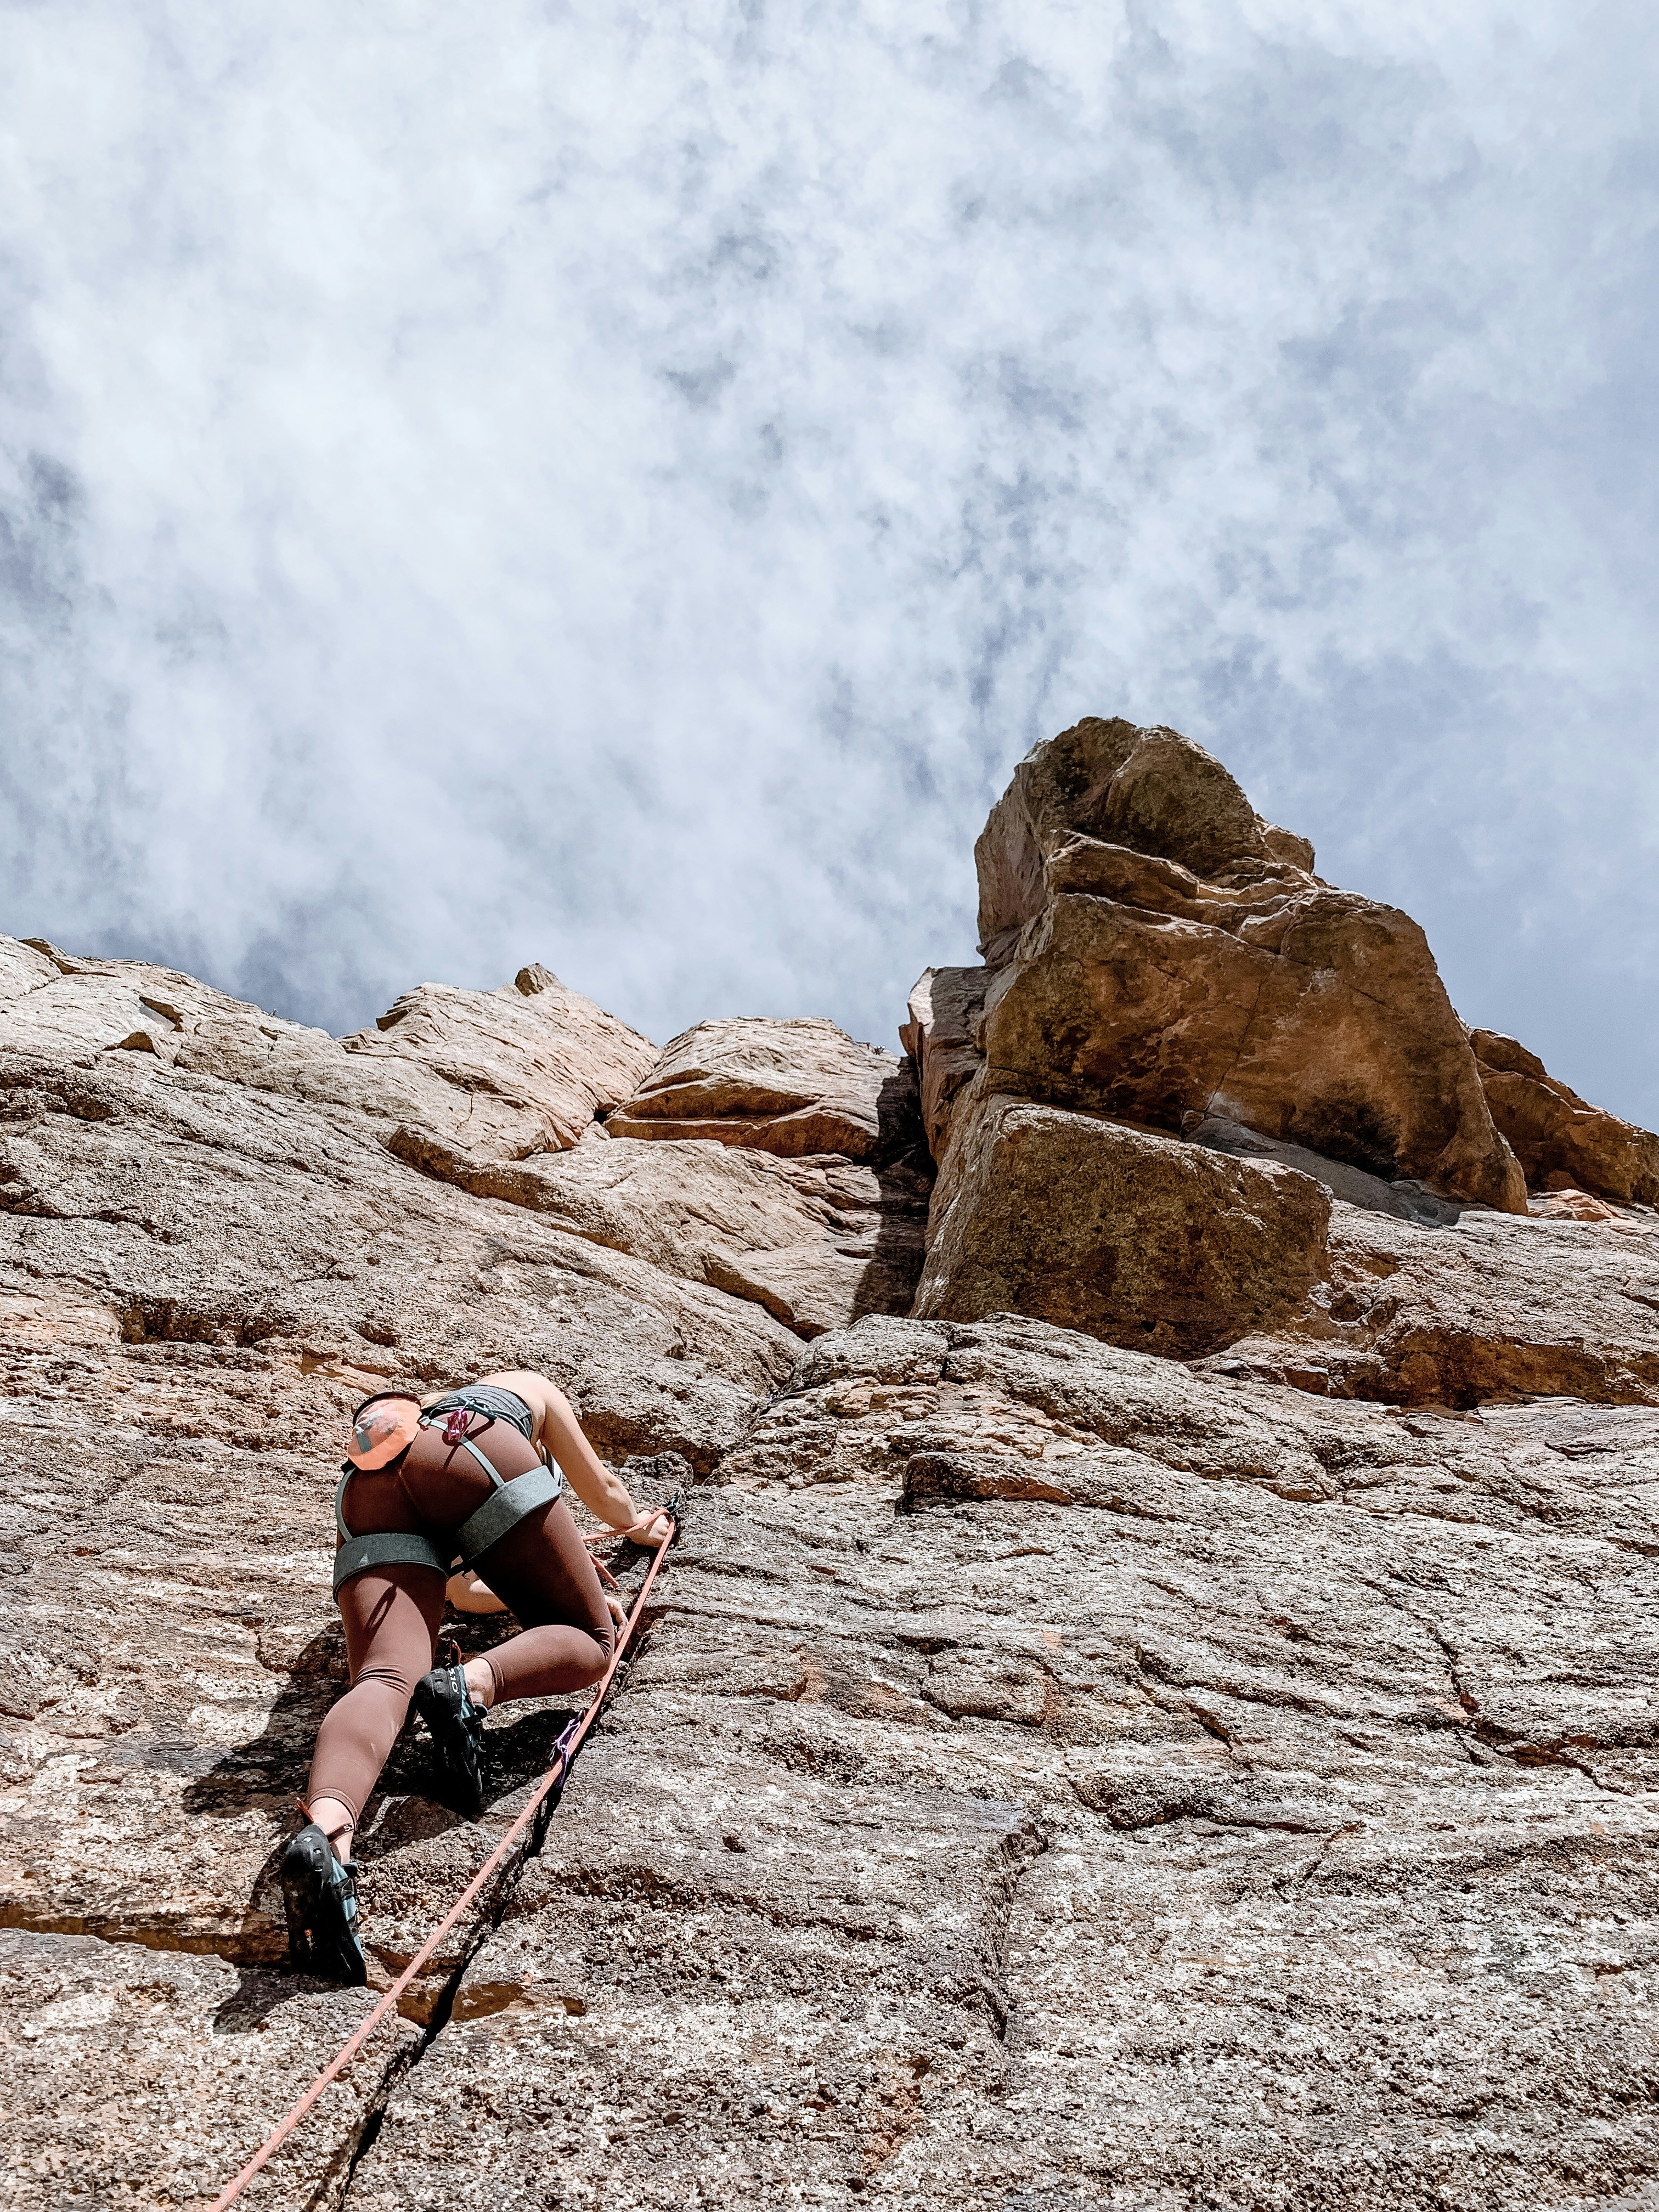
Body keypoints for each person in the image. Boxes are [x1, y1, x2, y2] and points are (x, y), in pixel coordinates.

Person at [281, 1369, 671, 1984]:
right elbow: (605, 1491)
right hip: (473, 1448)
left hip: (364, 1492)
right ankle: (472, 1686)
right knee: (594, 1642)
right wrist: (634, 1532)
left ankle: (328, 1832)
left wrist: (555, 1562)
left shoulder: (388, 1444)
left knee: (384, 1680)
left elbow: (464, 1592)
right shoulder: (522, 1387)